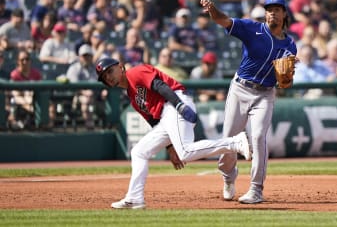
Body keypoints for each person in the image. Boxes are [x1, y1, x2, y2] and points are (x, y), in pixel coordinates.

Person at [95, 57, 251, 209]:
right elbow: (153, 121)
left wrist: (179, 106)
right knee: (139, 152)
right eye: (104, 76)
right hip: (165, 116)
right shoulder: (132, 95)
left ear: (120, 66)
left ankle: (235, 142)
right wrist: (170, 148)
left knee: (185, 152)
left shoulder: (135, 72)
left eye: (110, 71)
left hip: (173, 103)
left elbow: (159, 85)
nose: (108, 77)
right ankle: (134, 198)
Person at [200, 0, 297, 203]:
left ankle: (256, 189)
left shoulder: (290, 45)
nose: (272, 12)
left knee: (259, 137)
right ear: (265, 13)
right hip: (240, 89)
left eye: (277, 9)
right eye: (269, 9)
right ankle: (228, 177)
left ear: (284, 14)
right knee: (229, 140)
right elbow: (224, 20)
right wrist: (213, 9)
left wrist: (287, 78)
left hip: (265, 94)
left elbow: (285, 82)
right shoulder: (252, 29)